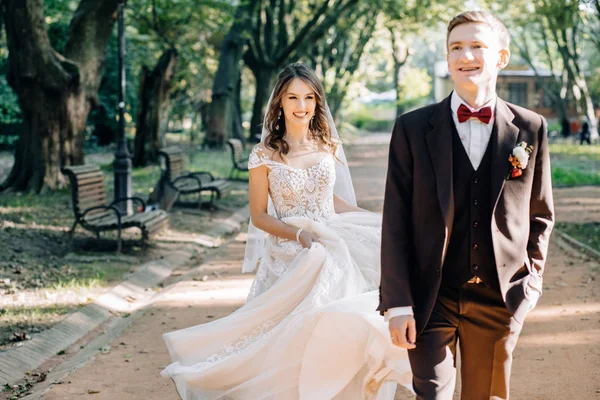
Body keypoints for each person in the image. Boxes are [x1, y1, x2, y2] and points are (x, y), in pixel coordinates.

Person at [161, 63, 411, 399]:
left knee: (345, 307)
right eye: (293, 97)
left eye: (309, 97)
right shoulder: (263, 155)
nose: (301, 105)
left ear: (317, 102)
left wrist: (373, 218)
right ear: (279, 101)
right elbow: (259, 216)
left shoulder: (328, 146)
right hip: (290, 246)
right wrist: (299, 236)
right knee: (287, 332)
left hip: (331, 237)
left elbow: (331, 200)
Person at [379, 11, 555, 400]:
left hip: (500, 296)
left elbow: (540, 214)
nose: (466, 55)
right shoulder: (411, 128)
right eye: (456, 47)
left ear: (500, 57)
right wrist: (397, 304)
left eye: (477, 45)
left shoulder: (530, 127)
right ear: (447, 58)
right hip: (430, 295)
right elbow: (395, 220)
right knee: (433, 395)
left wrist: (532, 283)